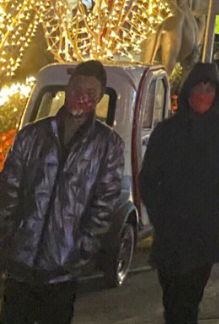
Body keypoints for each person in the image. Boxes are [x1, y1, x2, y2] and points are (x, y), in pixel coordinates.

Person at [0, 59, 122, 324]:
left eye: (91, 94)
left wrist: (82, 247)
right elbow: (8, 189)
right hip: (19, 264)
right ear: (67, 88)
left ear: (100, 98)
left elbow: (106, 202)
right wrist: (8, 235)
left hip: (62, 270)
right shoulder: (32, 135)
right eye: (78, 89)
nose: (82, 98)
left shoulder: (107, 144)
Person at [140, 61, 219, 324]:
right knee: (172, 300)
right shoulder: (166, 132)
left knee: (190, 298)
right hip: (171, 230)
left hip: (204, 230)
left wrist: (215, 208)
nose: (203, 95)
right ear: (187, 90)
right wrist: (160, 216)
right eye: (199, 87)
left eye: (210, 89)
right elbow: (149, 179)